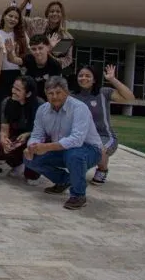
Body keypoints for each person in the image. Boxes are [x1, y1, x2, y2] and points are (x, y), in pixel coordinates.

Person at [24, 76, 103, 210]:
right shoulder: (42, 110)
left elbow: (77, 139)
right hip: (61, 148)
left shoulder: (79, 108)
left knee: (74, 155)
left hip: (89, 150)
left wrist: (47, 147)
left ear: (66, 92)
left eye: (58, 93)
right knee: (30, 159)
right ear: (45, 94)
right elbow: (37, 134)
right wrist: (31, 147)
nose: (54, 97)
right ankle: (65, 180)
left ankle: (78, 195)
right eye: (50, 93)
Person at [72, 64, 135, 185]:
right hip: (83, 136)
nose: (83, 78)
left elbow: (129, 98)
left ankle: (102, 169)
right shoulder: (73, 96)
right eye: (81, 75)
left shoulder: (103, 92)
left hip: (105, 136)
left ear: (94, 79)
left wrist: (112, 79)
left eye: (87, 76)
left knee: (100, 149)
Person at [0, 76, 42, 184]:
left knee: (31, 177)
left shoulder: (40, 105)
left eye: (18, 90)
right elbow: (4, 128)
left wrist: (28, 135)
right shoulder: (7, 102)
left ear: (28, 94)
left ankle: (32, 172)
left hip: (35, 138)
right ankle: (18, 165)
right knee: (0, 148)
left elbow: (45, 132)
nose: (13, 91)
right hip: (17, 136)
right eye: (13, 88)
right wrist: (3, 139)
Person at [22, 34, 62, 98]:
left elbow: (55, 88)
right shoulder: (28, 59)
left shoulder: (55, 65)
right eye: (34, 49)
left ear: (48, 47)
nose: (37, 52)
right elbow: (15, 60)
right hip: (28, 97)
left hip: (47, 100)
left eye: (40, 48)